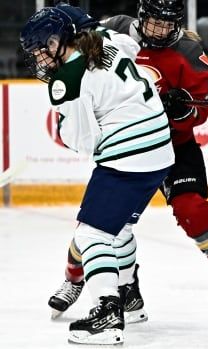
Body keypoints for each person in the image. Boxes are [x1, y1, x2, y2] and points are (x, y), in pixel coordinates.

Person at [47, 0, 208, 322]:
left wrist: (182, 109)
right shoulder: (116, 28)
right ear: (142, 16)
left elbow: (200, 111)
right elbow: (81, 46)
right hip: (129, 145)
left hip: (174, 145)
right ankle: (74, 279)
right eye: (154, 22)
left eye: (168, 24)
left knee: (192, 210)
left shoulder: (190, 51)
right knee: (100, 220)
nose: (161, 30)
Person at [20, 6, 174, 344]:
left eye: (41, 49)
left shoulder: (67, 81)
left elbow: (84, 141)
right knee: (118, 229)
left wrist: (64, 122)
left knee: (91, 235)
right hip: (161, 152)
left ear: (58, 40)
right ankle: (130, 301)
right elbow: (133, 50)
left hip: (129, 160)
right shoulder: (107, 39)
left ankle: (107, 314)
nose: (40, 58)